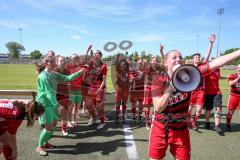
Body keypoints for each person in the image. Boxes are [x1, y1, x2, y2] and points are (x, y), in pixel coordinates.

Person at [149, 49, 240, 160]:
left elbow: (217, 63)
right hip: (161, 127)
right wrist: (171, 87)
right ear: (165, 63)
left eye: (180, 58)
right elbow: (158, 107)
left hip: (181, 129)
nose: (179, 60)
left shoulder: (191, 73)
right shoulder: (158, 79)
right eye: (174, 57)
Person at [35, 55, 86, 156]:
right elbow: (49, 92)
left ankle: (45, 143)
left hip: (51, 103)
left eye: (54, 62)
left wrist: (79, 72)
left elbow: (68, 78)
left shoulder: (54, 74)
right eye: (52, 62)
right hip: (44, 104)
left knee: (53, 124)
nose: (54, 63)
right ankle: (39, 146)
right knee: (49, 127)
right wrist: (58, 105)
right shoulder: (43, 76)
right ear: (46, 63)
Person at [188, 34, 215, 131]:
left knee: (199, 110)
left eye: (199, 57)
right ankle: (187, 121)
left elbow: (207, 55)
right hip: (192, 90)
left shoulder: (203, 66)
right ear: (193, 59)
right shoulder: (190, 68)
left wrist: (211, 44)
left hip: (201, 91)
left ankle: (194, 122)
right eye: (196, 57)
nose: (198, 58)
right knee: (189, 109)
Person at [84, 50, 107, 129]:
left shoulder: (103, 66)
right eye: (94, 53)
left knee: (99, 106)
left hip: (100, 87)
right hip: (91, 87)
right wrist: (87, 51)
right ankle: (94, 118)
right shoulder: (91, 64)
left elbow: (104, 81)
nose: (95, 54)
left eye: (97, 53)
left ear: (100, 55)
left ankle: (102, 121)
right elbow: (84, 61)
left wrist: (99, 90)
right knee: (88, 105)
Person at [55, 56, 71, 136]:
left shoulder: (67, 71)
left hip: (64, 94)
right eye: (61, 61)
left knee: (64, 112)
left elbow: (68, 84)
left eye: (64, 61)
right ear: (57, 62)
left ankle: (64, 127)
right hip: (54, 94)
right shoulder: (53, 71)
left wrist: (70, 95)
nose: (63, 62)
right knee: (53, 113)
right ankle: (47, 127)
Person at [67, 54, 84, 127]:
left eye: (77, 58)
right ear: (71, 59)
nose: (75, 59)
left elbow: (83, 78)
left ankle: (74, 121)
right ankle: (68, 121)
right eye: (74, 58)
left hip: (79, 89)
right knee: (70, 106)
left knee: (77, 106)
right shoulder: (67, 67)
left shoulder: (81, 68)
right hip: (71, 89)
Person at [114, 54, 130, 123]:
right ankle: (117, 116)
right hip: (119, 89)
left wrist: (127, 60)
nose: (124, 66)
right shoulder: (118, 71)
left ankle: (123, 116)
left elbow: (129, 65)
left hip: (125, 90)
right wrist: (118, 58)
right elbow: (116, 64)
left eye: (125, 65)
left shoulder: (128, 71)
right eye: (122, 65)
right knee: (117, 103)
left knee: (124, 103)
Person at [225, 64, 240, 131]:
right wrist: (238, 78)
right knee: (231, 111)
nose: (239, 69)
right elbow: (230, 83)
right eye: (238, 68)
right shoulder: (233, 75)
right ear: (237, 69)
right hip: (234, 95)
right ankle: (228, 124)